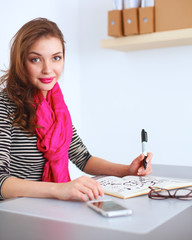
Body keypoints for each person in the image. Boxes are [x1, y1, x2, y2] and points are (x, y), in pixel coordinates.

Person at [0, 18, 152, 202]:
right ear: (21, 62)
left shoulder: (56, 105)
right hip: (16, 214)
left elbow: (83, 158)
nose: (48, 69)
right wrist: (58, 189)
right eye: (35, 59)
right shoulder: (5, 104)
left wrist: (127, 170)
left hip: (50, 209)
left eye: (56, 58)